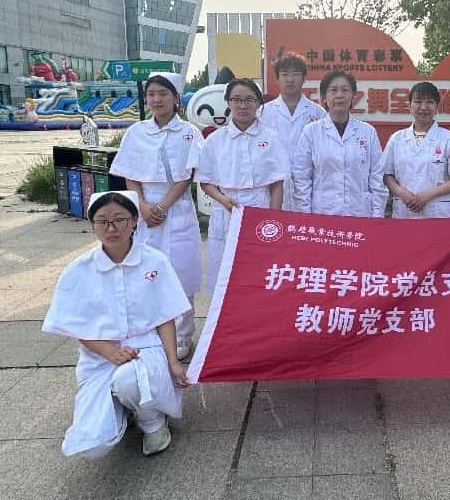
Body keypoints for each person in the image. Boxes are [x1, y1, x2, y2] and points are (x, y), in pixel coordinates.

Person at [42, 191, 191, 458]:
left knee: (128, 380)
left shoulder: (155, 261)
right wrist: (110, 352)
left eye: (120, 219)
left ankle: (153, 423)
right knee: (92, 445)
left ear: (134, 221)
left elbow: (165, 316)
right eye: (103, 221)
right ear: (93, 225)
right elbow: (78, 326)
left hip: (147, 348)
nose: (111, 228)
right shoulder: (79, 270)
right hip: (101, 355)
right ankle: (124, 409)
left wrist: (173, 362)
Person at [109, 72, 202, 360]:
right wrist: (142, 206)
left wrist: (162, 208)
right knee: (145, 274)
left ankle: (183, 334)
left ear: (176, 97)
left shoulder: (189, 132)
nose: (156, 99)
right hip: (144, 209)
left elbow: (187, 176)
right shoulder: (136, 132)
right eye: (151, 94)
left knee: (180, 275)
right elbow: (130, 173)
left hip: (177, 208)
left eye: (163, 93)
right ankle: (150, 334)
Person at [196, 78, 288, 293]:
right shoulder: (216, 140)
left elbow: (277, 183)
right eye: (237, 99)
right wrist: (223, 200)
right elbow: (206, 181)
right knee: (226, 272)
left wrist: (273, 219)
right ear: (228, 102)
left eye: (249, 100)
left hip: (260, 207)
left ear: (258, 103)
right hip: (226, 208)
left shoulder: (271, 138)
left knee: (259, 272)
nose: (243, 105)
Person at [293, 70, 388, 217]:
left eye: (345, 90)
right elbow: (301, 178)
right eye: (333, 90)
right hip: (323, 214)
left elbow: (377, 178)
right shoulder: (311, 131)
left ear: (353, 96)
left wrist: (377, 217)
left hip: (360, 213)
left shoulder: (368, 132)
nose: (339, 95)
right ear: (324, 97)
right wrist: (306, 216)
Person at [380, 81, 450, 219]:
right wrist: (401, 192)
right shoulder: (397, 138)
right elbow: (386, 174)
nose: (423, 107)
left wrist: (428, 195)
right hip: (404, 208)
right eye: (418, 102)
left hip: (437, 210)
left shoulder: (449, 138)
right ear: (410, 105)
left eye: (429, 102)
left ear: (437, 106)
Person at [259, 53, 327, 210]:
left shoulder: (318, 113)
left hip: (309, 189)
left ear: (304, 78)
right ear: (277, 79)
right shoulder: (263, 113)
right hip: (273, 188)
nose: (290, 79)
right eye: (284, 74)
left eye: (295, 74)